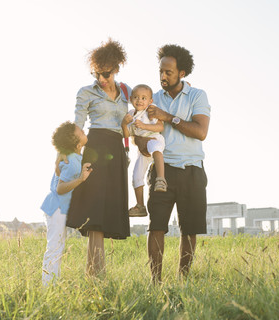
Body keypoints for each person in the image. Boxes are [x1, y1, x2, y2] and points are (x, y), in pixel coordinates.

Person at [135, 44, 211, 283]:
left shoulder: (198, 96)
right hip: (162, 171)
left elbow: (200, 132)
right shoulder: (152, 99)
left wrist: (168, 118)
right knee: (156, 227)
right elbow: (138, 131)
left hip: (192, 170)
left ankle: (183, 281)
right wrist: (141, 142)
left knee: (189, 229)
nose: (163, 76)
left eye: (168, 72)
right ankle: (155, 283)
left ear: (182, 73)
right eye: (161, 71)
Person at [64, 39, 131, 276]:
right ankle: (95, 272)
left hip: (117, 151)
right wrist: (67, 153)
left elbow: (143, 106)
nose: (101, 78)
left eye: (105, 73)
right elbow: (78, 125)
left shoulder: (126, 92)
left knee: (108, 211)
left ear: (116, 68)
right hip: (95, 147)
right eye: (96, 73)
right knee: (94, 211)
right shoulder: (86, 92)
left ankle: (96, 272)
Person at [40, 121, 93, 286]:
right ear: (78, 144)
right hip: (57, 208)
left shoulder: (73, 157)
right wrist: (81, 179)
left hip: (57, 208)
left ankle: (52, 284)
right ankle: (47, 288)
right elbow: (61, 188)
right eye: (82, 133)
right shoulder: (72, 162)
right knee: (55, 247)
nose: (85, 132)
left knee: (57, 246)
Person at [121, 84, 167, 217]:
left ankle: (161, 179)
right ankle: (140, 205)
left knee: (156, 149)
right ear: (130, 99)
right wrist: (124, 124)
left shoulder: (151, 110)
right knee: (136, 176)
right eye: (136, 97)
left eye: (143, 98)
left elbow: (159, 127)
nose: (139, 100)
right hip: (142, 150)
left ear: (150, 101)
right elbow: (126, 135)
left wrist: (144, 125)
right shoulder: (130, 114)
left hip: (154, 139)